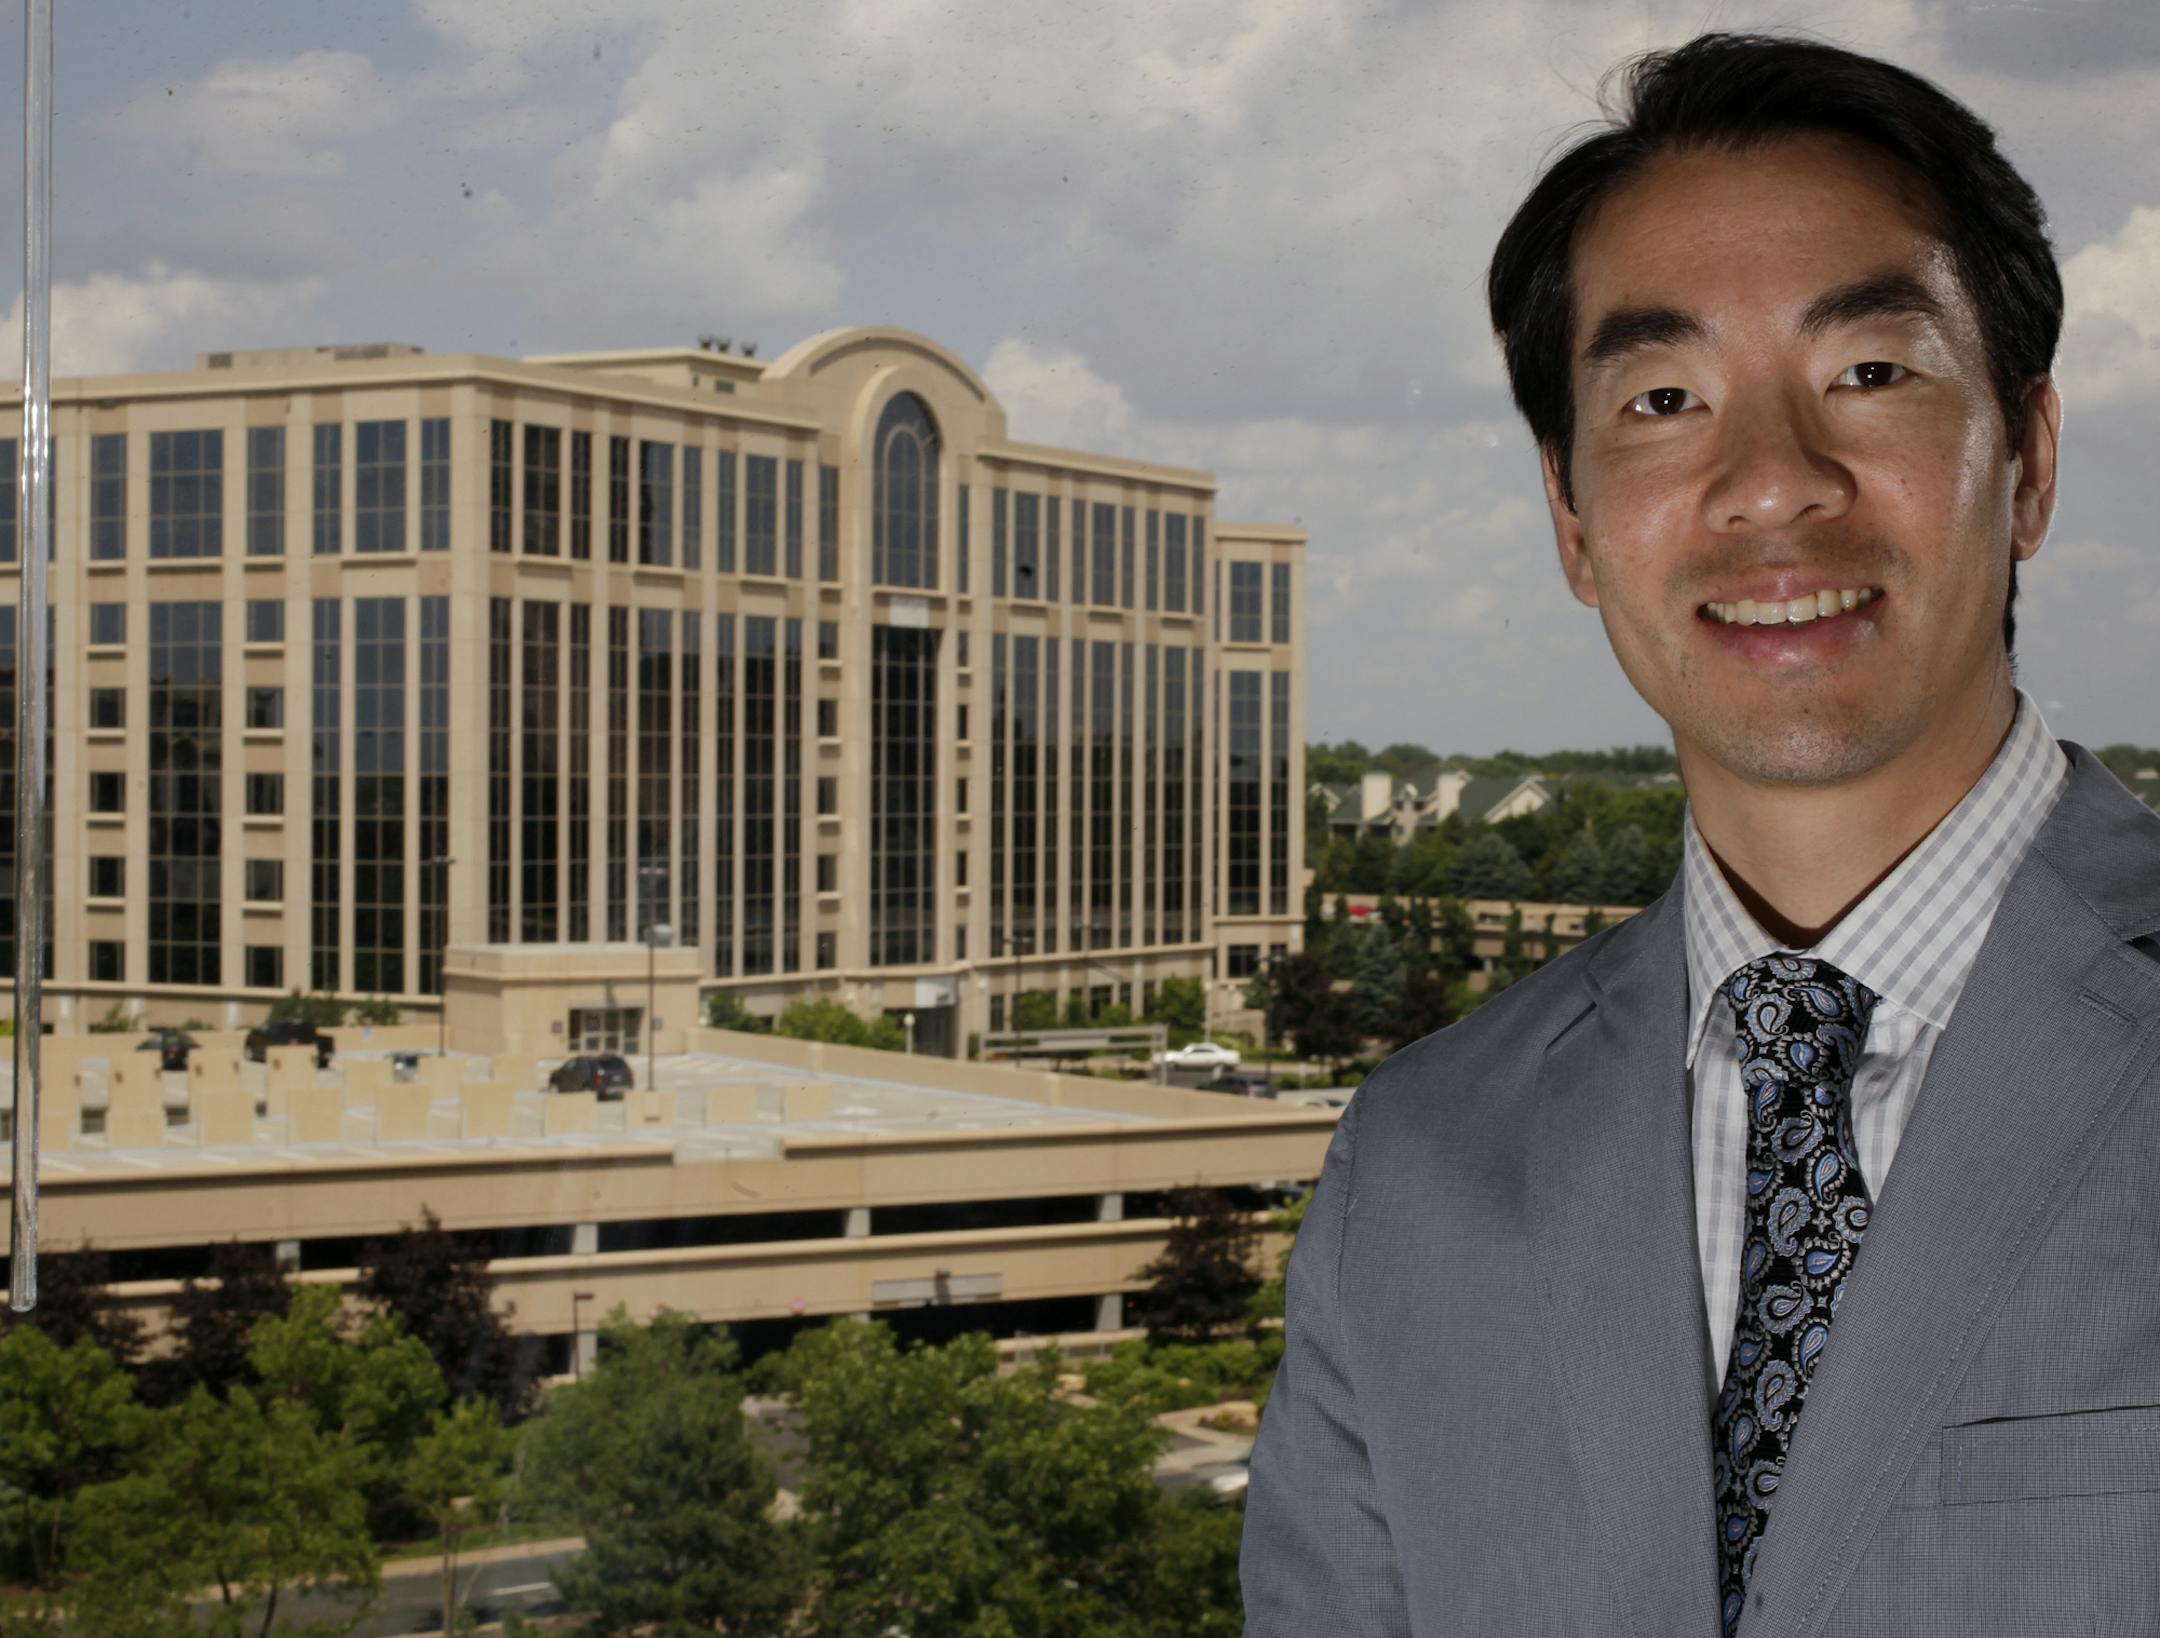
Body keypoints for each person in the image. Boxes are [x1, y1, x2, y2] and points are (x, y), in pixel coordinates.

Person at [1242, 31, 2160, 1637]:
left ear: (2028, 462)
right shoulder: (1419, 1166)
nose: (1772, 485)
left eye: (1869, 373)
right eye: (1664, 399)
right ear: (1574, 524)